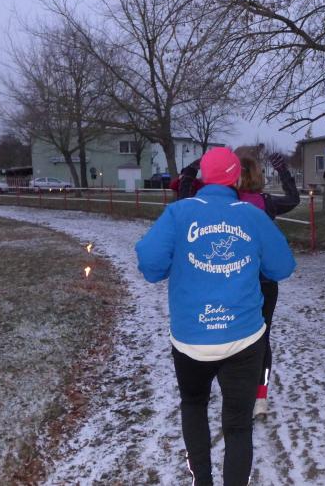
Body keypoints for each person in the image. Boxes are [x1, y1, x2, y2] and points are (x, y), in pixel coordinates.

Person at [136, 147, 296, 486]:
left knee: (194, 405)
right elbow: (282, 267)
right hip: (244, 339)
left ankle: (202, 480)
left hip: (190, 339)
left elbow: (150, 266)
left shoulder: (178, 213)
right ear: (236, 178)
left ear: (204, 178)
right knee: (238, 423)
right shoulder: (253, 216)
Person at [236, 152, 300, 417]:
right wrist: (283, 171)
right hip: (265, 282)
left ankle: (238, 389)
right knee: (262, 338)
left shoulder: (226, 204)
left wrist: (190, 175)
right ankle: (260, 396)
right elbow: (294, 199)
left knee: (235, 337)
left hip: (234, 280)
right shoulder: (266, 203)